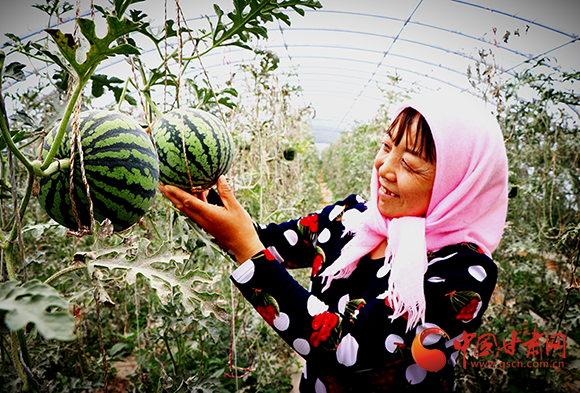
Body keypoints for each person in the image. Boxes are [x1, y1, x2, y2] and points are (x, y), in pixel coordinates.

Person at [159, 91, 508, 392]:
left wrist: (246, 248)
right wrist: (193, 184)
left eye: (410, 165)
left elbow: (347, 349)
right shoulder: (349, 219)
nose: (384, 168)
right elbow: (264, 240)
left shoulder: (463, 272)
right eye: (386, 146)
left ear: (459, 183)